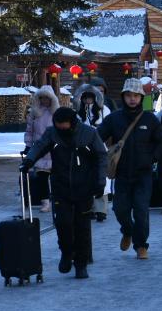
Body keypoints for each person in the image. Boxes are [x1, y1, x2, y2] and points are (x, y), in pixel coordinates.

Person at [21, 106, 106, 279]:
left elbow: (101, 157)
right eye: (58, 125)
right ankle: (67, 253)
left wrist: (100, 182)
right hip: (61, 186)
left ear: (72, 123)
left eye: (63, 125)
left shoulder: (89, 133)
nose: (60, 129)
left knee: (82, 227)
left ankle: (81, 264)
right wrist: (29, 161)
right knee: (63, 223)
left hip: (84, 187)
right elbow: (40, 146)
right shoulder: (52, 133)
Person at [98, 79, 162, 259]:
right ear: (123, 97)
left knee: (141, 211)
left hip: (143, 174)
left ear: (141, 97)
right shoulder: (114, 119)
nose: (132, 99)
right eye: (128, 95)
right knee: (120, 209)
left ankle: (141, 245)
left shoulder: (150, 119)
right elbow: (97, 138)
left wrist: (152, 158)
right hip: (121, 174)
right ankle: (127, 231)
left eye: (136, 95)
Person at [74, 83, 110, 221]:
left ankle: (101, 210)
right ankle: (89, 208)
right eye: (85, 98)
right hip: (84, 150)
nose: (88, 100)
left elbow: (109, 128)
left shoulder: (104, 110)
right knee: (86, 178)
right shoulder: (78, 113)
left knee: (102, 178)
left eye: (90, 97)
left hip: (101, 148)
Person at [24, 85, 59, 213]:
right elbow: (29, 131)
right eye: (42, 98)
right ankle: (45, 202)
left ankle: (57, 201)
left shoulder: (57, 114)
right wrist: (28, 146)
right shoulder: (34, 113)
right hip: (39, 150)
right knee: (42, 179)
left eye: (47, 98)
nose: (44, 100)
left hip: (55, 151)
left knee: (56, 178)